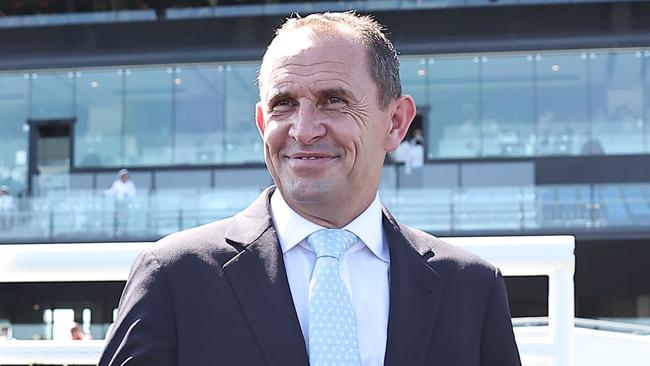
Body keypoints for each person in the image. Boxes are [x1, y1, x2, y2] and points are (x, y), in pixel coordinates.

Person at [99, 12, 521, 366]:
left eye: (333, 101)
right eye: (284, 104)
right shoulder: (174, 277)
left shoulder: (472, 288)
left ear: (395, 123)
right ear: (263, 124)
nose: (303, 130)